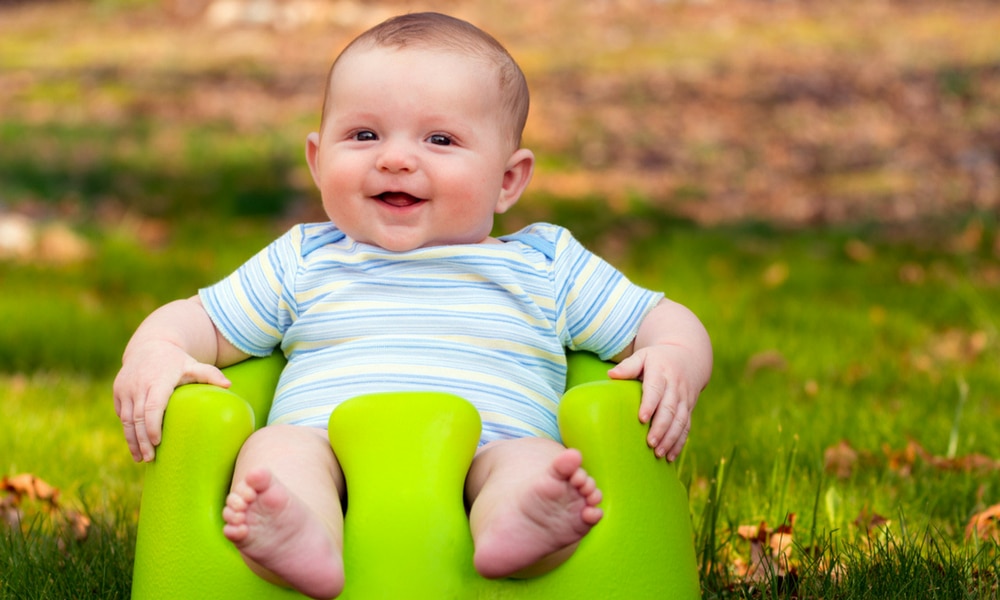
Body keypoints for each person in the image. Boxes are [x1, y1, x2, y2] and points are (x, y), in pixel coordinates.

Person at [113, 11, 712, 600]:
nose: (395, 158)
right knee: (278, 452)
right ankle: (298, 534)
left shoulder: (545, 264)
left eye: (440, 139)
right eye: (365, 135)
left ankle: (526, 527)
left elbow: (656, 318)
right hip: (332, 459)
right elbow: (202, 320)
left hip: (489, 452)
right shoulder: (304, 258)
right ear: (318, 161)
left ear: (508, 180)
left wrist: (675, 356)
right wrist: (157, 350)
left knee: (532, 465)